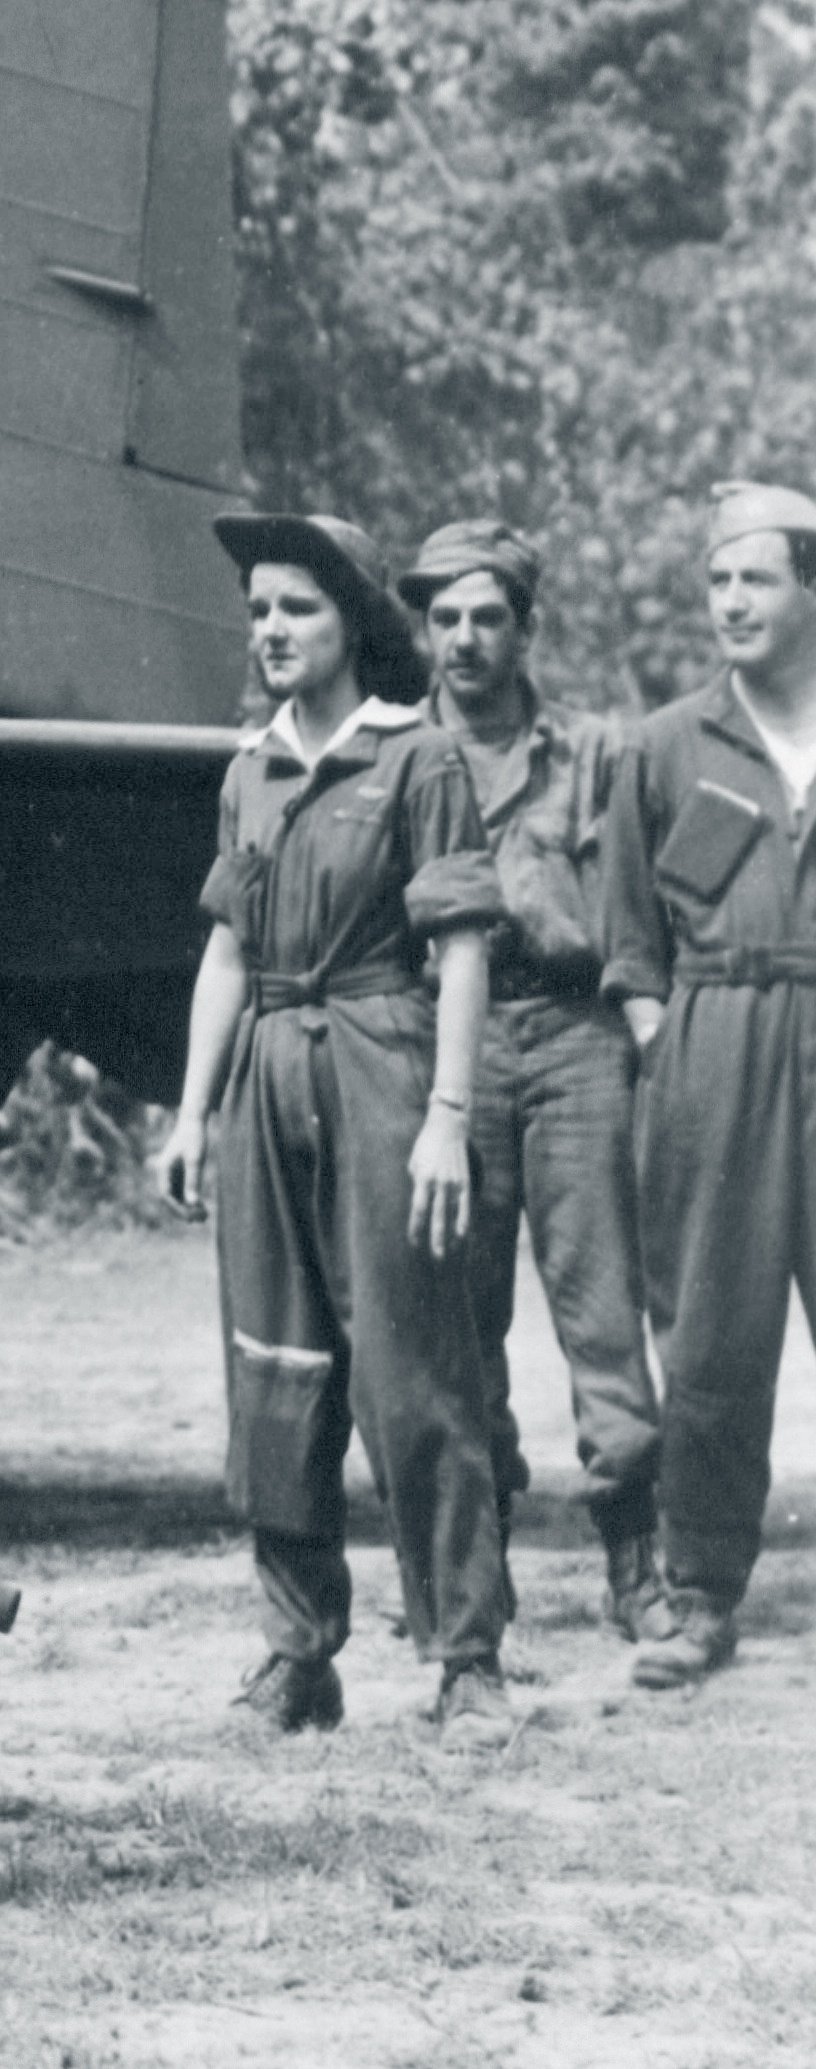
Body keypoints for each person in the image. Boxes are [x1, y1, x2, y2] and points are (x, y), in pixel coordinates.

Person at [154, 515, 508, 1749]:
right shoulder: (247, 770)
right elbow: (224, 952)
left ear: (352, 622)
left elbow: (459, 950)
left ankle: (467, 1660)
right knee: (274, 1370)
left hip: (379, 1066)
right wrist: (193, 1110)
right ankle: (298, 1656)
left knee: (414, 1372)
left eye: (295, 609)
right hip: (267, 1070)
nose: (268, 631)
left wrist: (446, 1121)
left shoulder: (417, 761)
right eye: (256, 610)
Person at [395, 518, 664, 1638]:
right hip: (445, 1043)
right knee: (457, 1314)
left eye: (486, 616)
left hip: (572, 1038)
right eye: (444, 617)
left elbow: (643, 908)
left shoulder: (594, 754)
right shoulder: (398, 753)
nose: (463, 639)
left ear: (525, 627)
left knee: (599, 1310)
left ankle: (636, 1566)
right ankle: (476, 1570)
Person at [597, 482, 816, 1695]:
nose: (730, 601)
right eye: (717, 581)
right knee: (714, 1340)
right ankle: (697, 1594)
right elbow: (628, 934)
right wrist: (663, 1034)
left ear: (810, 587)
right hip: (716, 1046)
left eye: (757, 580)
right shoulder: (666, 744)